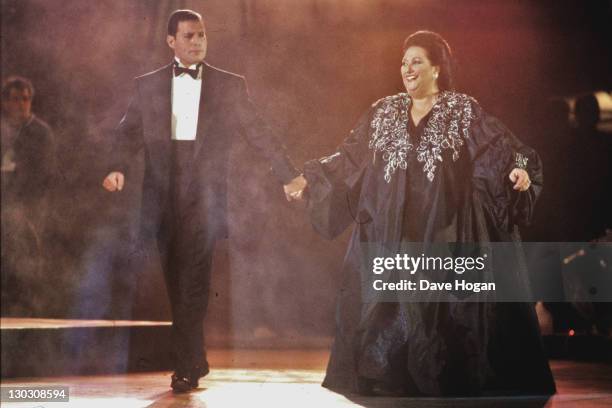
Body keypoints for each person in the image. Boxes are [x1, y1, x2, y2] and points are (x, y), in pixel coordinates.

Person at [289, 31, 556, 396]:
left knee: (438, 311)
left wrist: (519, 169)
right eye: (404, 62)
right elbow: (349, 156)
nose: (407, 69)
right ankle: (389, 377)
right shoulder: (383, 112)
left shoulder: (462, 111)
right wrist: (311, 177)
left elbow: (508, 149)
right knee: (390, 307)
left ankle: (442, 376)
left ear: (436, 69)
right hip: (392, 229)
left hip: (442, 230)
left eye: (417, 61)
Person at [102, 9, 304, 392]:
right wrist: (116, 168)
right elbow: (128, 132)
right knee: (178, 284)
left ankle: (183, 366)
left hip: (205, 199)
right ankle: (195, 359)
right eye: (189, 36)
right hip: (162, 199)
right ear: (171, 42)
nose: (197, 42)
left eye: (202, 35)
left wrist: (288, 173)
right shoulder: (148, 85)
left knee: (194, 284)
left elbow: (258, 132)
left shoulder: (229, 85)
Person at [1, 76, 57, 315]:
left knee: (26, 257)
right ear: (5, 102)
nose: (22, 104)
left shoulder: (40, 133)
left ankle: (27, 307)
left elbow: (44, 174)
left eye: (25, 99)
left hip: (28, 207)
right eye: (15, 99)